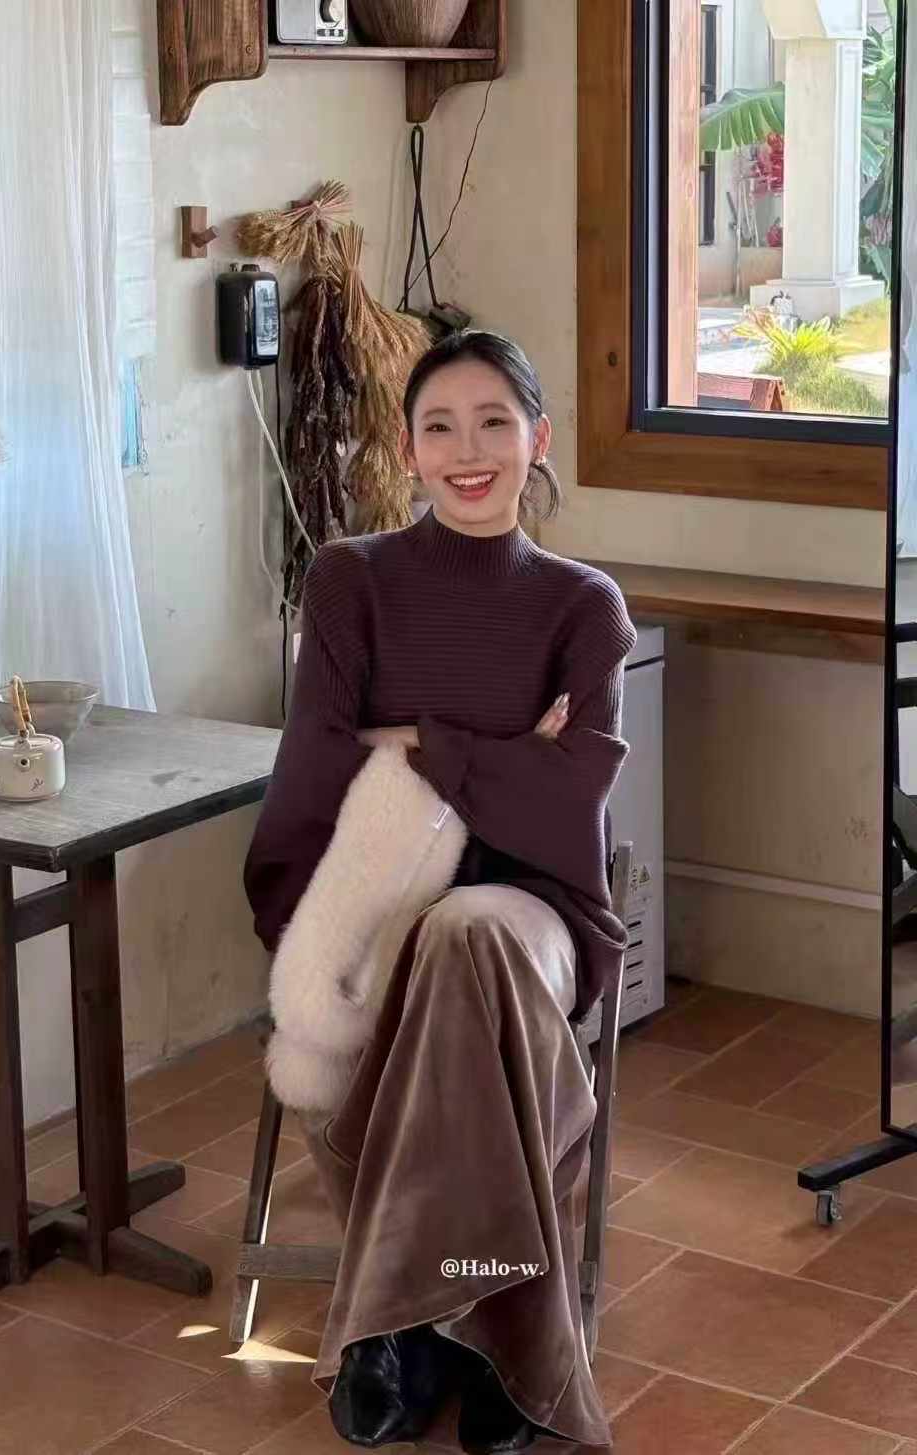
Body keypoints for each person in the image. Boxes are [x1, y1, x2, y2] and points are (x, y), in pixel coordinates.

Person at [243, 330, 637, 1452]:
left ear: (538, 439)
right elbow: (316, 771)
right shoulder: (352, 581)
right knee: (440, 948)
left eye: (495, 423)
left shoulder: (583, 607)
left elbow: (569, 802)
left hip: (534, 911)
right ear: (408, 449)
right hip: (381, 912)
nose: (469, 451)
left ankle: (395, 1329)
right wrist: (500, 756)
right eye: (440, 427)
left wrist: (413, 741)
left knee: (467, 933)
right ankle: (491, 1331)